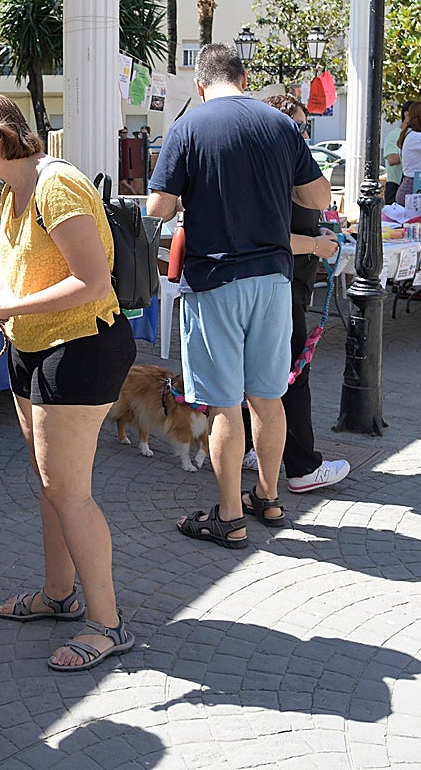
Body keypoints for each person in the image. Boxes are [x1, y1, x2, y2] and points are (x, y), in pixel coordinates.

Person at [0, 92, 136, 672]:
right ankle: (59, 595)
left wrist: (4, 313)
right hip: (33, 347)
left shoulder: (57, 183)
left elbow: (94, 284)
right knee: (52, 485)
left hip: (81, 347)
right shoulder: (11, 192)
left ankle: (107, 624)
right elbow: (17, 277)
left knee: (70, 492)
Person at [145, 43, 330, 549]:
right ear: (244, 77)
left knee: (225, 404)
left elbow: (157, 208)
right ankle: (267, 496)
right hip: (273, 278)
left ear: (201, 85)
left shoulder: (189, 127)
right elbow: (319, 198)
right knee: (268, 397)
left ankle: (229, 516)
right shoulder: (280, 124)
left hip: (215, 281)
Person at [240, 94, 350, 494]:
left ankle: (256, 449)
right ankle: (302, 466)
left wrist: (317, 234)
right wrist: (316, 246)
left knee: (261, 374)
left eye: (304, 125)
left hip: (288, 284)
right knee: (289, 376)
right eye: (295, 124)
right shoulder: (273, 171)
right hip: (277, 284)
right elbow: (269, 237)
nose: (301, 132)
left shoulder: (288, 168)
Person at [383, 100, 412, 205]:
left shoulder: (418, 136)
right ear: (407, 114)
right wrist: (412, 154)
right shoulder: (393, 135)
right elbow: (392, 159)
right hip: (395, 187)